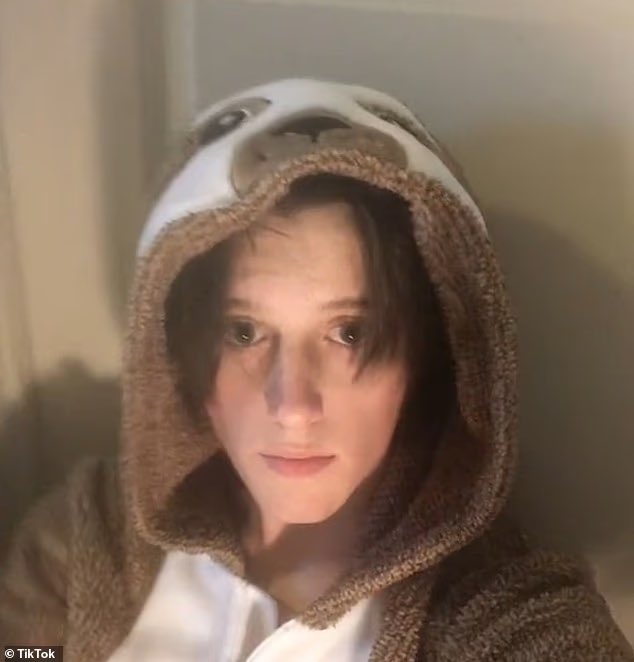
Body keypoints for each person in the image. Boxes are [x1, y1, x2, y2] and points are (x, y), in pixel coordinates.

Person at [1, 78, 632, 661]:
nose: (293, 407)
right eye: (245, 331)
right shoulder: (88, 539)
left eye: (349, 333)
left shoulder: (502, 605)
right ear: (175, 354)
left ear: (427, 356)